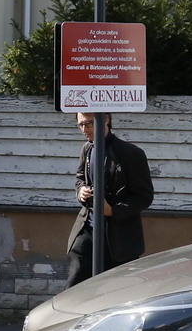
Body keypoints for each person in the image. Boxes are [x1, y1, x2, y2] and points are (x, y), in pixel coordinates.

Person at [66, 113, 155, 288]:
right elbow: (80, 178)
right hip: (87, 230)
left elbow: (144, 197)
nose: (84, 129)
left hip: (119, 239)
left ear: (105, 119)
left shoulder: (131, 153)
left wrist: (113, 210)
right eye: (80, 125)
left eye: (88, 123)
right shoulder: (87, 148)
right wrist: (81, 191)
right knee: (74, 288)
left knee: (116, 292)